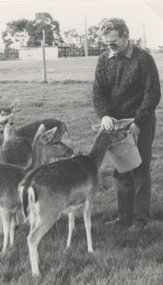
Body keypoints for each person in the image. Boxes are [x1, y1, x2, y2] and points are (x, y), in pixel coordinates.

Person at [92, 18, 161, 233]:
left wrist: (138, 123)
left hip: (140, 121)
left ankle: (140, 221)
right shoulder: (104, 60)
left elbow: (153, 93)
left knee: (139, 169)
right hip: (116, 125)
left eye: (113, 41)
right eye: (106, 43)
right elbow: (98, 92)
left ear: (125, 36)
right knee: (121, 170)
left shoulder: (143, 59)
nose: (109, 46)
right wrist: (104, 115)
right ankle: (124, 218)